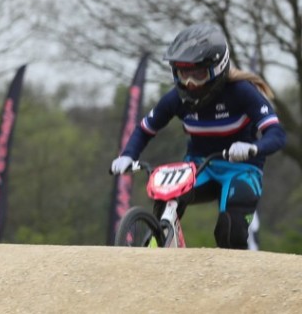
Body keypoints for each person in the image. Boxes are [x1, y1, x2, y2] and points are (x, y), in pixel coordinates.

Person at [110, 23, 286, 250]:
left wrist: (254, 148)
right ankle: (160, 243)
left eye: (198, 75)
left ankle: (234, 278)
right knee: (164, 195)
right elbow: (145, 129)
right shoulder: (176, 98)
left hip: (242, 168)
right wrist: (127, 155)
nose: (190, 84)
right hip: (199, 166)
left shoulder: (242, 92)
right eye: (184, 74)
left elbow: (277, 134)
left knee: (230, 230)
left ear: (218, 68)